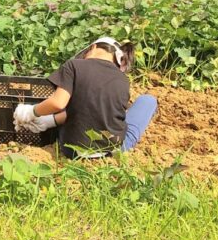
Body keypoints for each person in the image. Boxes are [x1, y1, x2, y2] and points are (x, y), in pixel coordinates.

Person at [13, 37, 157, 159]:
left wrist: (30, 112)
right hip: (110, 150)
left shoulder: (74, 66)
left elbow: (60, 103)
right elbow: (92, 110)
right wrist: (46, 120)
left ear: (93, 47)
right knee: (148, 100)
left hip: (72, 150)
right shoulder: (122, 79)